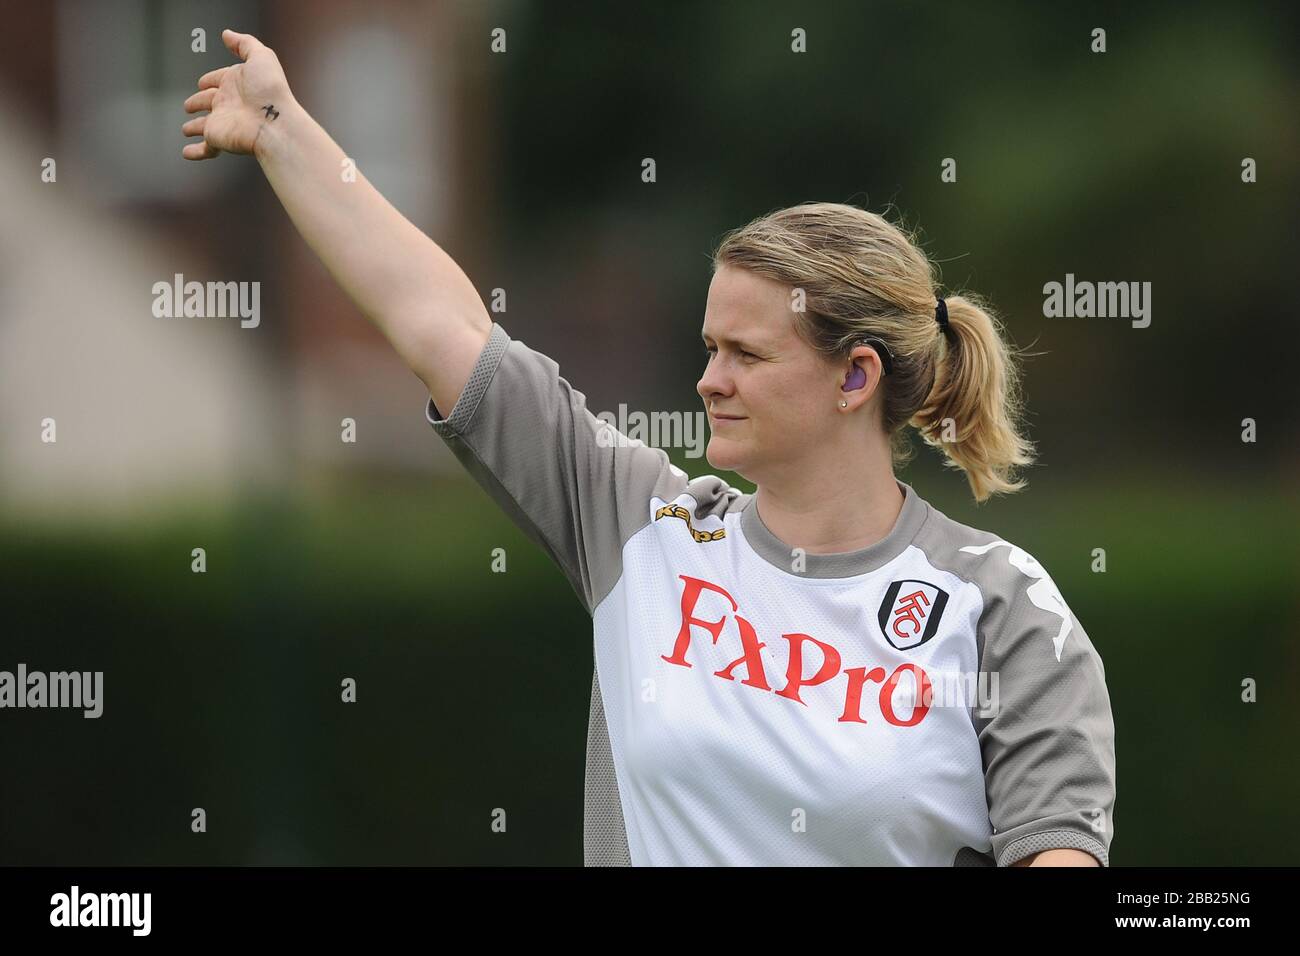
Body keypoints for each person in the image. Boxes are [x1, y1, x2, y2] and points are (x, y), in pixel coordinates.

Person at [183, 29, 1117, 867]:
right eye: (709, 348)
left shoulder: (1001, 607)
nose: (709, 381)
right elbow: (442, 326)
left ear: (855, 377)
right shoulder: (640, 524)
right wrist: (279, 129)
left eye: (747, 355)